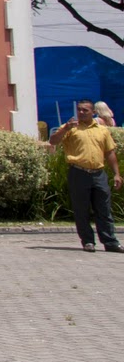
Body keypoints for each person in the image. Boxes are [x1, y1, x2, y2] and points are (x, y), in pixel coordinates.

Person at [50, 99, 123, 253]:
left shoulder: (102, 130)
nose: (81, 113)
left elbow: (109, 152)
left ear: (93, 112)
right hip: (78, 173)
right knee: (81, 209)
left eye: (85, 110)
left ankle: (110, 242)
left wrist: (117, 174)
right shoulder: (70, 128)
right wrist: (65, 129)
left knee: (104, 208)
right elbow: (53, 141)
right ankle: (88, 241)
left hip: (98, 174)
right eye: (79, 110)